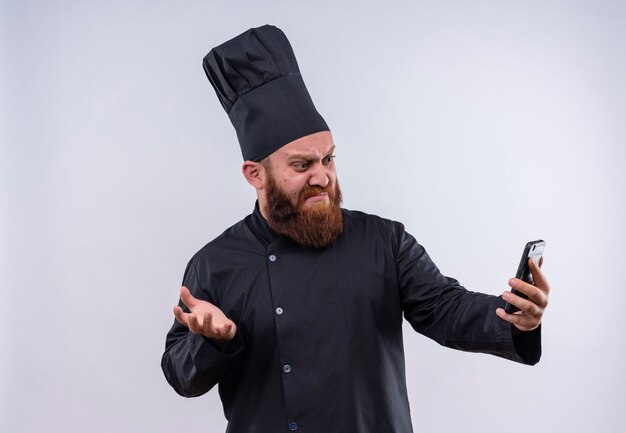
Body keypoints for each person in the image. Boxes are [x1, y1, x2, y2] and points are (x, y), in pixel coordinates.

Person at [161, 24, 550, 433]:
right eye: (301, 165)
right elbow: (180, 373)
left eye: (328, 160)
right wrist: (211, 341)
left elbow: (444, 307)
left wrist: (513, 316)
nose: (322, 178)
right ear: (255, 174)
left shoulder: (384, 241)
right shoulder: (216, 262)